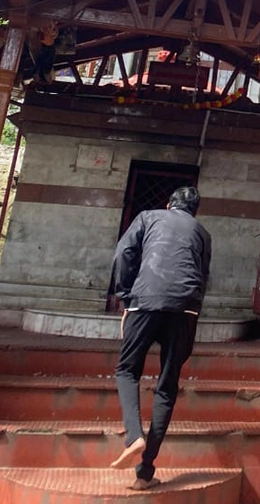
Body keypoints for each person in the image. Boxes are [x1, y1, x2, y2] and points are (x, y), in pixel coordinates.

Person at [109, 186, 212, 491]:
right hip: (186, 309)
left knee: (127, 371)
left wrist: (126, 298)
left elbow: (123, 253)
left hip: (146, 301)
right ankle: (145, 472)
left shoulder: (147, 217)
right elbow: (204, 275)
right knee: (167, 386)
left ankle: (133, 436)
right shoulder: (203, 233)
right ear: (195, 212)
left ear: (169, 205)